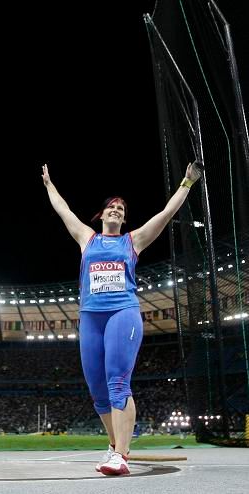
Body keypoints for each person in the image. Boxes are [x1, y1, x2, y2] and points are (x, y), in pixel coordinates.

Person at [41, 161, 201, 475]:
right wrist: (49, 186)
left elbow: (166, 214)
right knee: (97, 390)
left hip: (122, 314)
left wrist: (186, 183)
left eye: (121, 208)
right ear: (101, 215)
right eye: (111, 207)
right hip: (90, 317)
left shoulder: (133, 241)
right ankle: (115, 447)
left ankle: (121, 456)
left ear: (124, 218)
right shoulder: (87, 239)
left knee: (117, 382)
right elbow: (64, 211)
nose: (116, 209)